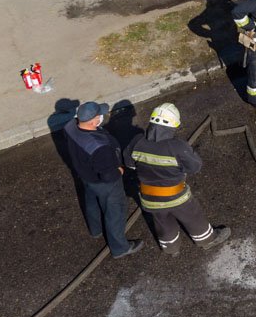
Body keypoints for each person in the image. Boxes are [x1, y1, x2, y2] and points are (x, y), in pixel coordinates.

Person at [125, 103, 229, 256]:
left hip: (149, 198)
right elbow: (195, 167)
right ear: (173, 125)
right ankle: (207, 240)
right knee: (193, 216)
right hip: (176, 196)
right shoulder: (178, 147)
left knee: (162, 222)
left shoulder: (136, 142)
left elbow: (130, 164)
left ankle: (171, 249)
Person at [63, 101, 143, 259]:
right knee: (115, 212)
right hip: (107, 185)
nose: (102, 117)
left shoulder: (70, 127)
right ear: (93, 122)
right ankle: (120, 248)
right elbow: (108, 175)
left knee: (92, 202)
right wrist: (118, 170)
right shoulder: (99, 147)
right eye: (100, 115)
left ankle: (96, 230)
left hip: (87, 177)